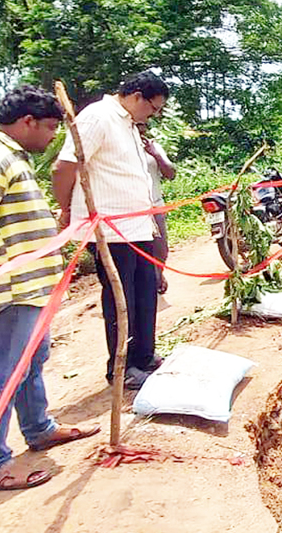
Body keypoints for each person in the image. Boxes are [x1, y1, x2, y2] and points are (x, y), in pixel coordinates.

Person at [0, 85, 101, 491]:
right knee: (4, 373)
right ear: (27, 121)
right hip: (14, 287)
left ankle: (38, 428)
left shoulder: (11, 157)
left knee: (31, 362)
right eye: (50, 127)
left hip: (34, 286)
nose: (53, 136)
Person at [53, 71, 169, 390]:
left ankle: (145, 357)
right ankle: (122, 367)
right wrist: (66, 210)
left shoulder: (129, 125)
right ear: (136, 97)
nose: (153, 115)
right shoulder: (98, 117)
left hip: (138, 227)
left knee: (146, 292)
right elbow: (64, 167)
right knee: (122, 299)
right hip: (111, 231)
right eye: (153, 108)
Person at [137, 121, 176, 294]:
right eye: (137, 125)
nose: (141, 128)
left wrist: (155, 154)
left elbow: (171, 173)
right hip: (132, 210)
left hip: (155, 206)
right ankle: (148, 286)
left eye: (143, 125)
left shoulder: (152, 146)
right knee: (139, 251)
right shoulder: (119, 148)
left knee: (160, 249)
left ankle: (158, 275)